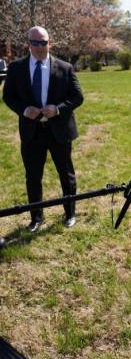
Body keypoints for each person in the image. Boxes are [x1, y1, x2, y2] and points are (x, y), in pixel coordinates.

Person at [3, 26, 84, 232]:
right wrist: (24, 109)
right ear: (28, 44)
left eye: (43, 42)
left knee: (66, 174)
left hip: (59, 130)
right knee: (33, 175)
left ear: (50, 43)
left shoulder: (65, 68)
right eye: (35, 43)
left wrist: (57, 109)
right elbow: (8, 97)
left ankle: (70, 213)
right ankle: (36, 217)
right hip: (32, 131)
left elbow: (77, 97)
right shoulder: (16, 68)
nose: (40, 47)